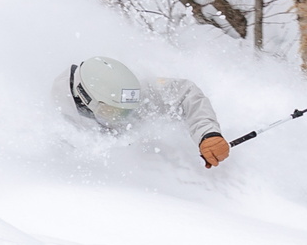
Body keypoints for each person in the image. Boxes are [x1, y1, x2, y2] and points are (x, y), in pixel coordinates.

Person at [52, 56, 231, 168]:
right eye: (113, 112)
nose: (124, 118)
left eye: (127, 111)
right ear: (86, 99)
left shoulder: (132, 93)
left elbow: (186, 93)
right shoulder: (63, 120)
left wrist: (208, 134)